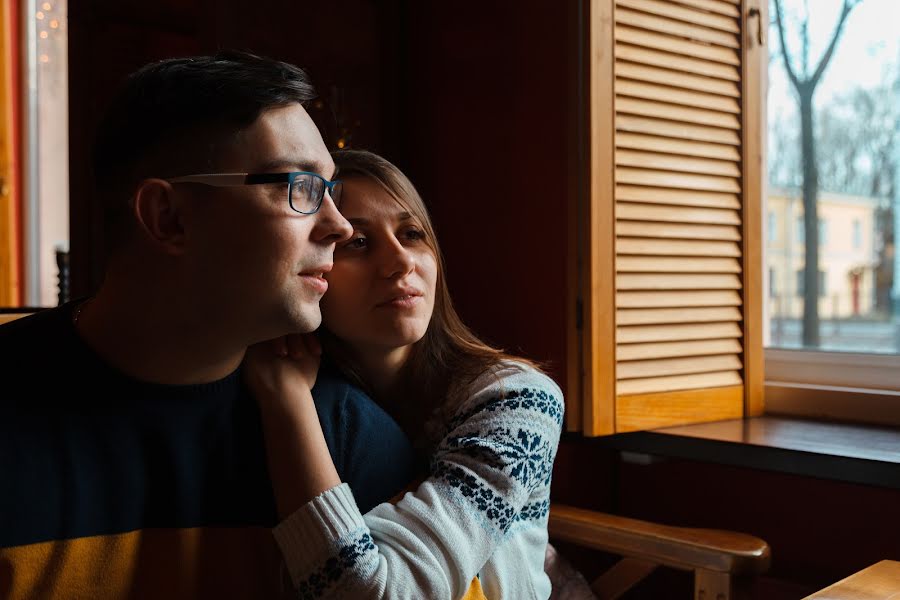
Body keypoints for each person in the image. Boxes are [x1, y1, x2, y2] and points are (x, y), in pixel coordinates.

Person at [0, 52, 415, 599]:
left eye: (330, 190)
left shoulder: (343, 436)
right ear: (168, 218)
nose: (338, 226)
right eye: (301, 187)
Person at [246, 150, 565, 599]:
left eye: (412, 234)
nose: (400, 262)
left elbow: (390, 594)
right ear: (314, 270)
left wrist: (287, 401)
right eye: (357, 242)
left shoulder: (518, 400)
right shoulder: (325, 402)